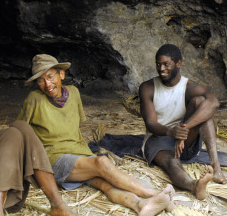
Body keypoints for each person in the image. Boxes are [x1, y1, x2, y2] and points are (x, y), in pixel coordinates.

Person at [17, 54, 174, 216]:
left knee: (105, 184)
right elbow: (20, 131)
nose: (47, 84)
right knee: (102, 163)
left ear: (61, 74)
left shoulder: (74, 92)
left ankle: (140, 205)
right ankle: (153, 194)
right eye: (40, 80)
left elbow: (74, 126)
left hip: (79, 154)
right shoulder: (34, 99)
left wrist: (82, 153)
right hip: (54, 159)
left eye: (50, 77)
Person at [139, 44, 227, 200]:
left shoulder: (188, 86)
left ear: (178, 64)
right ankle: (194, 185)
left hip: (185, 140)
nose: (161, 68)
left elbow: (214, 103)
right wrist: (171, 132)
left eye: (166, 64)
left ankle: (216, 167)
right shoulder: (148, 88)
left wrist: (182, 129)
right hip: (158, 139)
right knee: (172, 163)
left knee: (201, 102)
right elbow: (150, 124)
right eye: (158, 64)